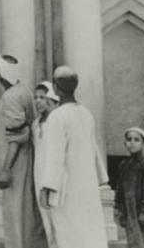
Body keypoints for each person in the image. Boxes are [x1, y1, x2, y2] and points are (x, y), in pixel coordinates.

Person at [39, 65, 109, 248]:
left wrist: (47, 187)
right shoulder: (86, 113)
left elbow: (55, 156)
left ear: (55, 87)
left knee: (68, 232)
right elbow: (94, 150)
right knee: (88, 231)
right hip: (87, 185)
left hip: (67, 187)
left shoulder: (57, 116)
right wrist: (100, 178)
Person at [0, 55, 43, 248]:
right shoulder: (23, 91)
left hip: (16, 162)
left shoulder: (11, 96)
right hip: (24, 159)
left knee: (15, 211)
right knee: (25, 210)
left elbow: (16, 135)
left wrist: (6, 168)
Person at [30, 81, 59, 247]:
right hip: (39, 174)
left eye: (42, 97)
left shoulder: (58, 123)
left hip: (55, 176)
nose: (37, 101)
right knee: (46, 217)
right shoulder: (35, 125)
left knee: (58, 216)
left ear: (52, 99)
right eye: (35, 97)